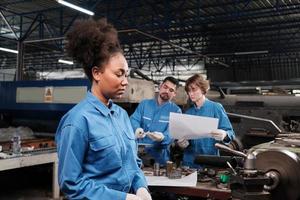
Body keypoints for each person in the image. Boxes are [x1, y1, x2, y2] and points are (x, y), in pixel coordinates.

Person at [55, 18, 151, 200]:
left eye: (127, 75)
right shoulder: (77, 121)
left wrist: (140, 187)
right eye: (119, 74)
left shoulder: (122, 116)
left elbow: (132, 163)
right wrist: (121, 198)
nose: (125, 81)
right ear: (97, 73)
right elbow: (71, 183)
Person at [177, 74, 235, 168]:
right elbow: (184, 138)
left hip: (210, 161)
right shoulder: (188, 113)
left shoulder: (216, 108)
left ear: (203, 89)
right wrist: (182, 144)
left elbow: (231, 133)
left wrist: (224, 134)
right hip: (189, 162)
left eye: (194, 89)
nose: (190, 94)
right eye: (188, 91)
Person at [130, 76, 182, 166]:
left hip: (160, 157)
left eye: (171, 90)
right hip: (138, 154)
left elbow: (172, 133)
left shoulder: (176, 111)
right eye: (165, 87)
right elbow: (134, 119)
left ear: (174, 94)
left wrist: (163, 137)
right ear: (160, 86)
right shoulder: (144, 104)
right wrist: (137, 128)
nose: (167, 91)